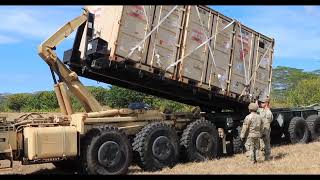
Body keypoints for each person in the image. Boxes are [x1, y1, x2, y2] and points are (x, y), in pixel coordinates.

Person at [258, 96, 273, 161]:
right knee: (262, 144)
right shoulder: (262, 110)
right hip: (261, 129)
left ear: (266, 103)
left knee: (267, 143)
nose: (261, 104)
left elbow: (269, 120)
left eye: (263, 103)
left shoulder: (268, 111)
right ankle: (264, 155)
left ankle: (268, 157)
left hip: (266, 129)